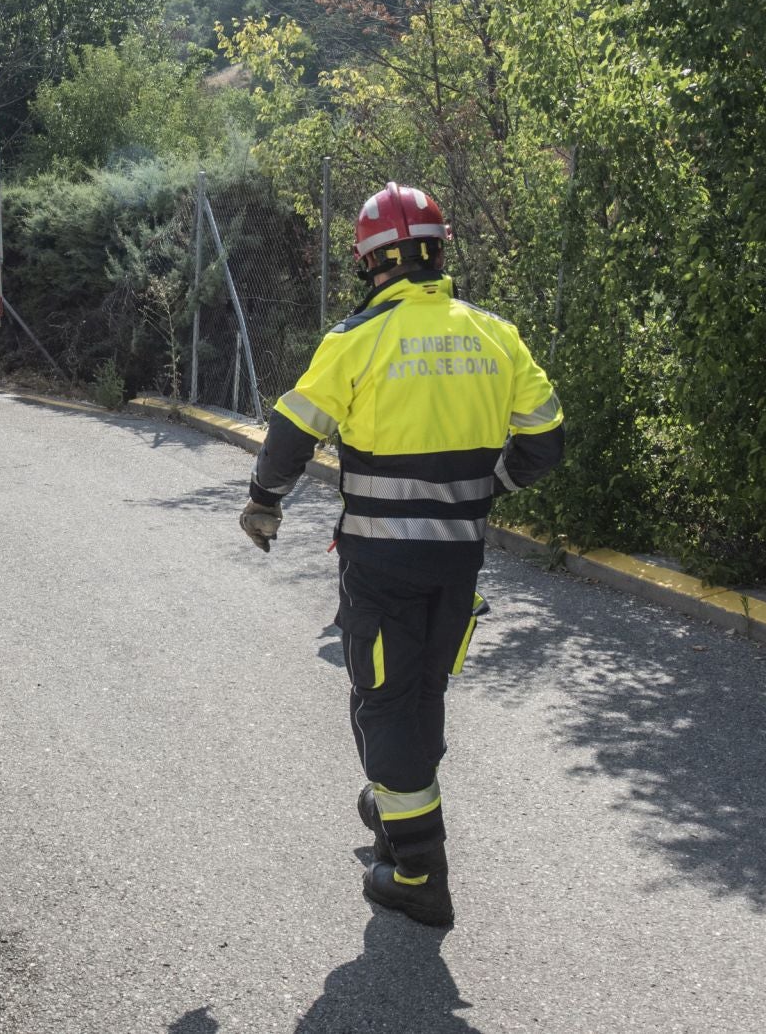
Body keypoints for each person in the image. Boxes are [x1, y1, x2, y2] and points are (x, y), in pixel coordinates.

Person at [238, 183, 565, 928]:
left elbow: (290, 436)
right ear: (439, 251)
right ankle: (395, 810)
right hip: (457, 564)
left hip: (381, 568)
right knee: (420, 695)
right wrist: (490, 483)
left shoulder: (357, 339)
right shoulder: (496, 335)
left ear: (372, 263)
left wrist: (264, 500)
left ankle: (419, 872)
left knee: (384, 706)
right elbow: (546, 442)